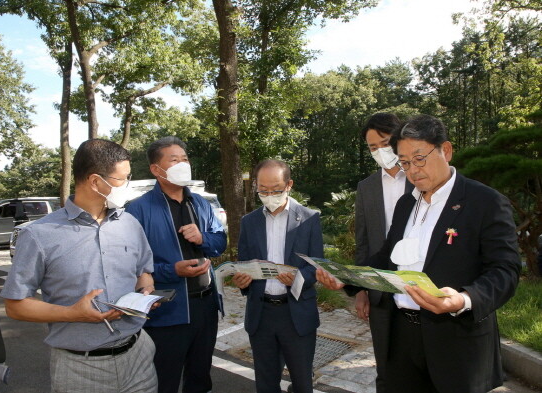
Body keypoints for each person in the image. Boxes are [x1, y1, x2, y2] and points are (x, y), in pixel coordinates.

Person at [317, 115, 521, 393]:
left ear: (445, 150)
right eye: (404, 162)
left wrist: (464, 298)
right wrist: (347, 278)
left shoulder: (485, 202)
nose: (412, 170)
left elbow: (505, 270)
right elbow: (386, 258)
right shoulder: (406, 204)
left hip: (456, 342)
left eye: (419, 158)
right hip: (401, 337)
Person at [1, 139, 158, 393]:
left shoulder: (130, 223)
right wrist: (73, 314)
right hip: (81, 368)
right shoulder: (40, 235)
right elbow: (15, 306)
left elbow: (144, 270)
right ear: (95, 181)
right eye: (123, 179)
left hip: (138, 355)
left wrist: (145, 289)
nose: (128, 186)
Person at [126, 136, 227, 393]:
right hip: (167, 310)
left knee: (200, 376)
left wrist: (203, 237)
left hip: (205, 305)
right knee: (164, 378)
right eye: (174, 160)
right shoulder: (137, 210)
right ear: (156, 169)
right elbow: (130, 265)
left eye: (184, 159)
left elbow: (220, 243)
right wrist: (172, 270)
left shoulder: (201, 204)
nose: (183, 164)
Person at [232, 159, 323, 393]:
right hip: (262, 315)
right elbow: (244, 264)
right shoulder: (249, 221)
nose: (269, 195)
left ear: (289, 185)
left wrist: (298, 279)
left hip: (296, 314)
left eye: (276, 190)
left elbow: (317, 265)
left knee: (302, 382)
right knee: (266, 383)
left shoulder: (309, 218)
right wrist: (242, 281)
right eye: (263, 190)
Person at [353, 112, 413, 393]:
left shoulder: (419, 177)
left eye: (385, 143)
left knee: (420, 363)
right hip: (380, 287)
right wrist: (362, 289)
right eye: (372, 147)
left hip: (419, 285)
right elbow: (363, 242)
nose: (379, 151)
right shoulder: (366, 188)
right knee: (386, 367)